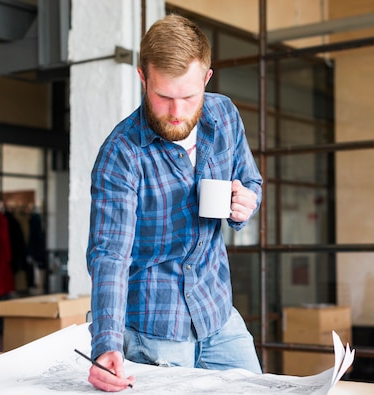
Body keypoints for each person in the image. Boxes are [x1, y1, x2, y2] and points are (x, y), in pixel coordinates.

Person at [86, 14, 263, 392]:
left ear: (207, 79)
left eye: (189, 96)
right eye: (163, 96)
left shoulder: (225, 116)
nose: (177, 113)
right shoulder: (121, 154)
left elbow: (251, 180)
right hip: (155, 329)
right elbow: (109, 256)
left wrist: (247, 203)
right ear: (142, 78)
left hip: (218, 313)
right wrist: (107, 344)